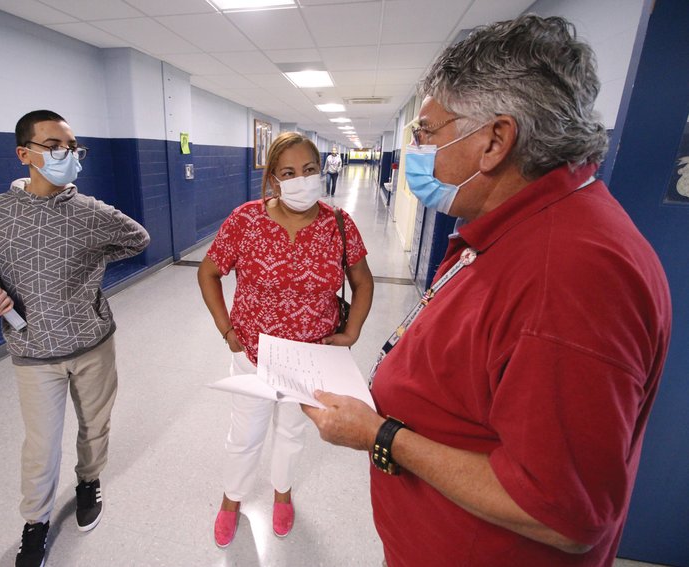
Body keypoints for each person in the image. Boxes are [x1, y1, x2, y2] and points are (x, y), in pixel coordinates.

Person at [302, 15, 671, 567]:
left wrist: (381, 435)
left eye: (426, 132)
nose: (416, 151)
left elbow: (561, 512)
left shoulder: (570, 275)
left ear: (495, 141)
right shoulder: (521, 227)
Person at [0, 110, 150, 567]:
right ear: (25, 153)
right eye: (55, 145)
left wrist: (94, 268)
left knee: (94, 426)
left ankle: (88, 481)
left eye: (73, 147)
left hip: (92, 345)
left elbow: (138, 239)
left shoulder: (90, 211)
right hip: (33, 352)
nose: (68, 155)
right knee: (41, 444)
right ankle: (36, 522)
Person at [198, 132, 374, 548]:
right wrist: (228, 331)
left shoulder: (338, 224)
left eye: (310, 170)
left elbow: (362, 282)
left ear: (322, 170)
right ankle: (231, 499)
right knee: (246, 434)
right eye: (289, 173)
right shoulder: (246, 220)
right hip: (254, 356)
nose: (302, 180)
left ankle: (283, 493)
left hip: (311, 361)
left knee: (292, 432)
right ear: (274, 180)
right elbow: (207, 273)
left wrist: (352, 332)